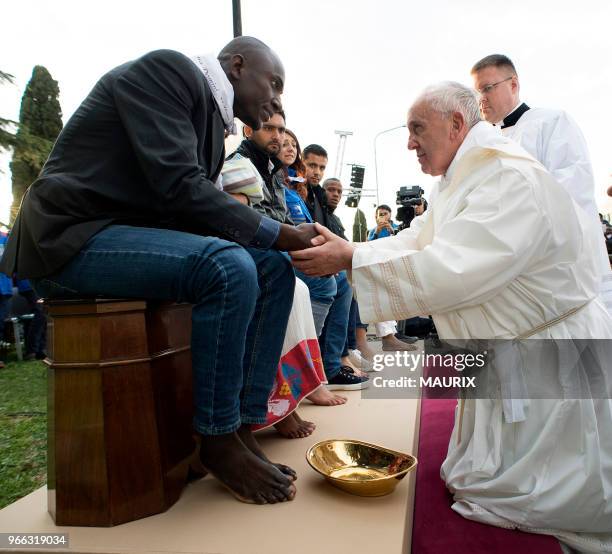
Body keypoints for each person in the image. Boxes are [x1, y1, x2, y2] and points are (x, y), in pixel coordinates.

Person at [0, 37, 324, 505]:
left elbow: (188, 212)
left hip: (117, 237)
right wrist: (277, 232)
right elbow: (179, 186)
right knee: (229, 265)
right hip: (70, 241)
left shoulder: (213, 120)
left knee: (272, 269)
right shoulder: (170, 72)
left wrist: (278, 243)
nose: (278, 99)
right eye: (273, 83)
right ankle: (216, 437)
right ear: (236, 66)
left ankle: (245, 425)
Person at [291, 81, 612, 551]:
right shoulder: (463, 178)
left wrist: (351, 261)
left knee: (550, 483)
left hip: (551, 353)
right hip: (511, 348)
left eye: (418, 129)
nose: (410, 142)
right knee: (487, 472)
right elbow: (422, 238)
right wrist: (354, 249)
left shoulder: (506, 178)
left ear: (457, 125)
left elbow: (455, 268)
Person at [471, 53, 612, 316]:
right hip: (517, 272)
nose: (482, 99)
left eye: (487, 88)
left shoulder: (551, 121)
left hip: (562, 265)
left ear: (513, 84)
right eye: (477, 92)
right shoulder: (484, 142)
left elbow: (568, 188)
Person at [302, 148, 369, 390]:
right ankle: (319, 363)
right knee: (336, 281)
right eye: (311, 165)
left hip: (309, 256)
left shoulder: (317, 199)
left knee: (349, 280)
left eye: (321, 167)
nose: (316, 172)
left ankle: (336, 359)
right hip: (294, 258)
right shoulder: (299, 190)